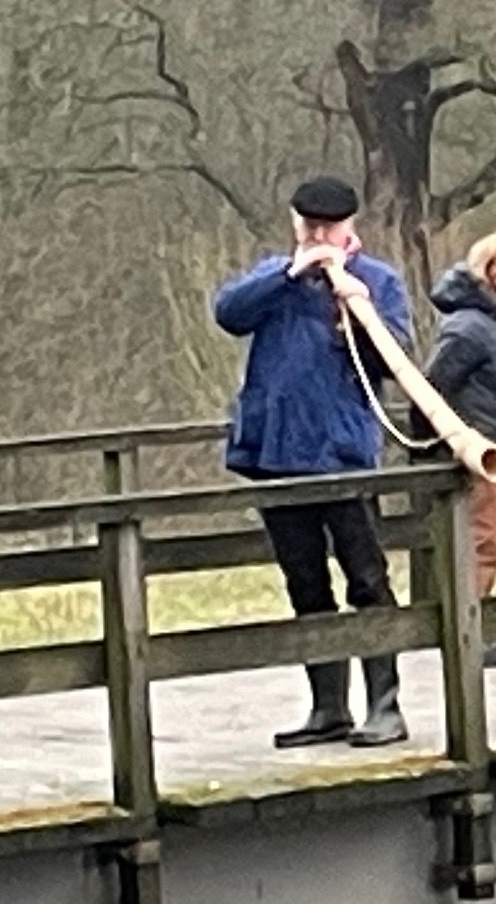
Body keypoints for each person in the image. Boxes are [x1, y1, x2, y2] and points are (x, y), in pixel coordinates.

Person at [213, 174, 413, 749]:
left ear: (350, 229)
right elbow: (228, 313)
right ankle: (328, 705)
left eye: (329, 227)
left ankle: (386, 704)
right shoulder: (274, 278)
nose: (319, 235)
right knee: (304, 580)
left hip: (342, 453)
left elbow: (395, 359)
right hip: (275, 455)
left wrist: (357, 307)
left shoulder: (377, 282)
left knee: (367, 579)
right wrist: (290, 273)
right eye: (310, 227)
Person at [415, 233, 496, 668]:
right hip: (477, 448)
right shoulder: (472, 325)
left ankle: (473, 627)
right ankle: (463, 632)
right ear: (485, 272)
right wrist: (448, 443)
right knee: (481, 539)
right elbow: (431, 387)